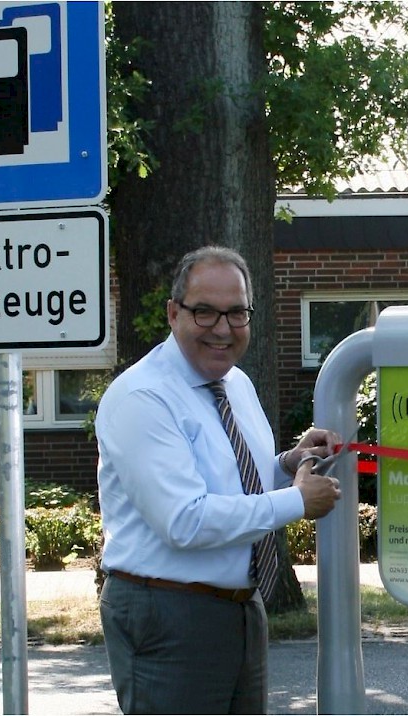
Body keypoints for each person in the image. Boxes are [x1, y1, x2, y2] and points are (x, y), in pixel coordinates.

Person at [96, 245, 342, 714]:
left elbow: (232, 484)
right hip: (168, 612)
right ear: (173, 312)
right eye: (205, 312)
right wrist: (296, 501)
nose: (223, 330)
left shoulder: (237, 383)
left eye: (236, 313)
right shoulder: (142, 398)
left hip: (239, 609)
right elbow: (185, 520)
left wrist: (289, 463)